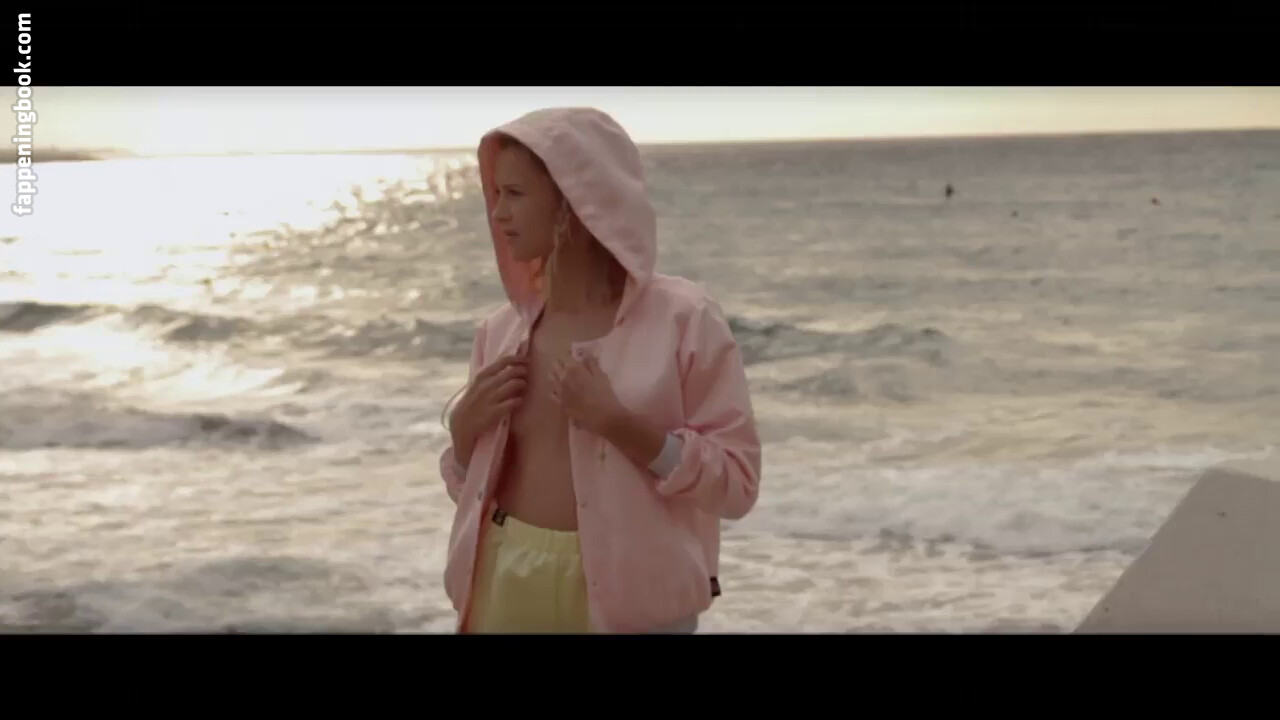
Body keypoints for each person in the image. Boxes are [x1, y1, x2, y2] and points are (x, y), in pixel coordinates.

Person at [436, 107, 763, 634]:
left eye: (515, 194)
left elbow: (738, 485)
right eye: (495, 194)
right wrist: (462, 433)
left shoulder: (684, 319)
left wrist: (623, 427)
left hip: (633, 602)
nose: (497, 213)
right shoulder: (499, 334)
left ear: (574, 200)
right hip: (502, 581)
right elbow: (467, 490)